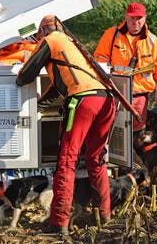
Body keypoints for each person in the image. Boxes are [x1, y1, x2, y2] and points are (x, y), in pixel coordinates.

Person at [16, 15, 116, 236]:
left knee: (67, 162)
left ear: (43, 31)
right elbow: (57, 88)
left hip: (83, 103)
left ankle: (59, 222)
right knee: (96, 160)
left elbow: (26, 76)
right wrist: (39, 106)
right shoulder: (71, 45)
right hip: (107, 101)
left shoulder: (50, 40)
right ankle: (104, 215)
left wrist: (19, 77)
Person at [93, 2, 157, 137]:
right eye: (132, 18)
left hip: (139, 99)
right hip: (116, 96)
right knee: (112, 134)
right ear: (126, 17)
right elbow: (99, 62)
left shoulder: (152, 41)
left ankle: (135, 158)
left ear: (145, 18)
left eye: (139, 18)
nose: (135, 21)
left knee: (136, 136)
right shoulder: (111, 35)